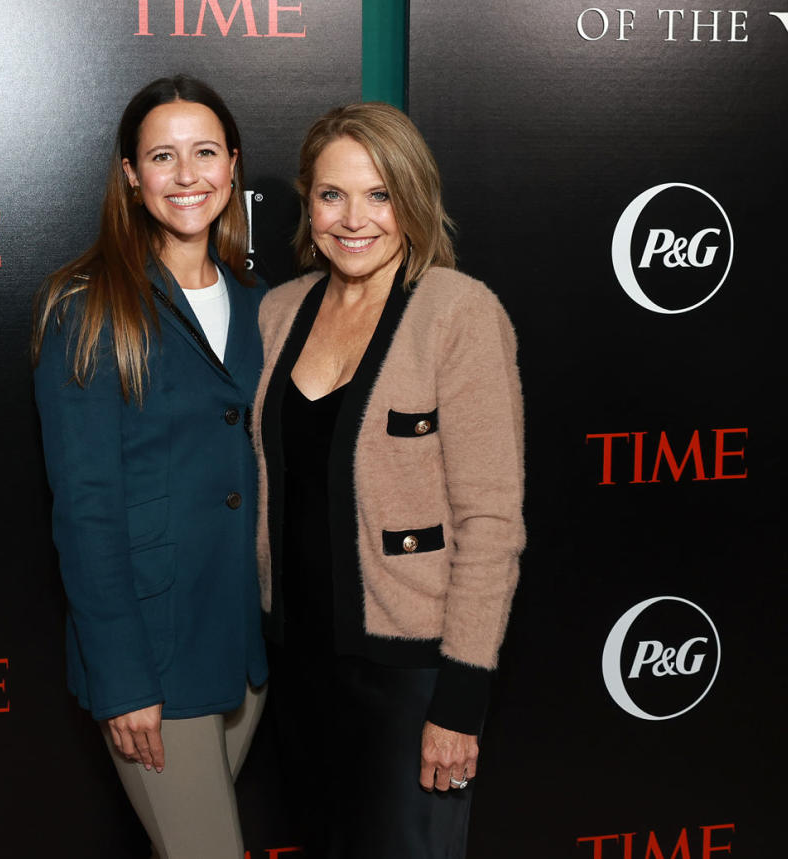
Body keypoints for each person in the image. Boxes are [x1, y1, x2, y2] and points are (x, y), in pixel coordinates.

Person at [250, 102, 525, 857]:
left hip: (410, 676)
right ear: (309, 202)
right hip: (294, 668)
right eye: (332, 194)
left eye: (379, 195)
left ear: (413, 198)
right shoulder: (279, 312)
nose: (353, 219)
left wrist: (460, 700)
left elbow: (491, 521)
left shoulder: (457, 312)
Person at [32, 74, 268, 859]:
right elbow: (86, 508)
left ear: (232, 165)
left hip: (243, 652)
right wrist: (124, 677)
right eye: (162, 156)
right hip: (154, 657)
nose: (188, 174)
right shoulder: (89, 305)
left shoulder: (260, 302)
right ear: (132, 177)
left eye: (205, 152)